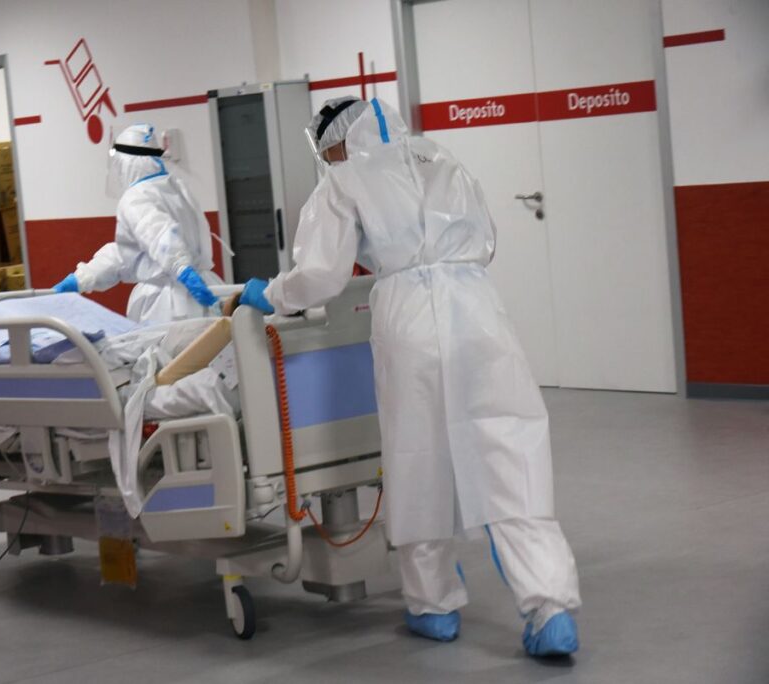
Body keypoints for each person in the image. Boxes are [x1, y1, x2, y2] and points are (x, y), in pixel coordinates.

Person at [237, 97, 581, 657]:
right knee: (509, 452)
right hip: (479, 313)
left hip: (409, 320)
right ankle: (550, 609)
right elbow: (489, 238)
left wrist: (272, 294)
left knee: (417, 460)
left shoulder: (343, 179)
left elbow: (321, 275)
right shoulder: (441, 157)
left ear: (336, 142)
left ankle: (432, 605)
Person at [54, 123, 222, 324]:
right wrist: (83, 278)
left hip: (168, 304)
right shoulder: (176, 187)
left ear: (126, 162)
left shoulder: (136, 197)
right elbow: (129, 253)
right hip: (202, 287)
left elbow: (160, 235)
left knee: (168, 345)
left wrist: (181, 268)